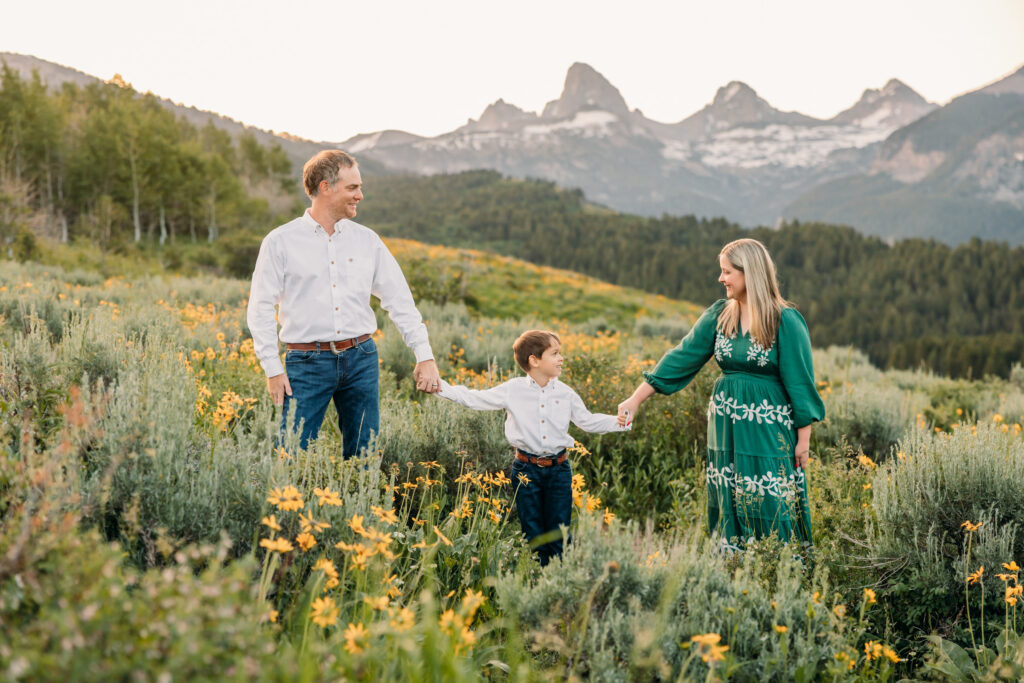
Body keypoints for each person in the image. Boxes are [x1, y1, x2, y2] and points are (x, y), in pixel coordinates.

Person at [617, 238, 824, 551]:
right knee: (727, 494)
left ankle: (779, 570)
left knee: (769, 496)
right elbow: (681, 357)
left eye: (727, 272)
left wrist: (803, 440)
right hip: (725, 426)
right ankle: (731, 569)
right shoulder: (719, 314)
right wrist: (636, 398)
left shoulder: (785, 321)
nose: (721, 278)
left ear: (749, 273)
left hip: (768, 430)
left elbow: (800, 383)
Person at [247, 150, 441, 458]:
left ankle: (358, 507)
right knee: (291, 456)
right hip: (305, 363)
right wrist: (272, 369)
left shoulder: (367, 241)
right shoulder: (280, 242)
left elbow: (400, 301)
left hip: (361, 359)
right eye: (353, 188)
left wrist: (424, 356)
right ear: (326, 187)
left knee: (364, 456)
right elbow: (259, 309)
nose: (360, 195)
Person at [435, 330, 629, 565]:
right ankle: (536, 582)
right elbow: (475, 398)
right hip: (526, 470)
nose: (561, 358)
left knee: (560, 532)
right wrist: (439, 387)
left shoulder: (566, 393)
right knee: (534, 534)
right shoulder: (513, 390)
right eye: (555, 353)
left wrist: (620, 421)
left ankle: (558, 583)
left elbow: (586, 421)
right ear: (534, 361)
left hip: (559, 471)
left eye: (560, 353)